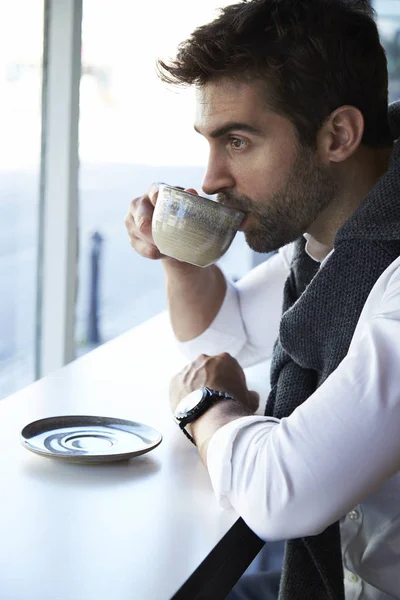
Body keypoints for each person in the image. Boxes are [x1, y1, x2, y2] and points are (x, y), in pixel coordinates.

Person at [124, 1, 400, 598]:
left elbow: (281, 495)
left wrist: (206, 408)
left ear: (338, 136)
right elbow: (227, 337)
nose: (212, 178)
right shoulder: (334, 248)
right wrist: (178, 257)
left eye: (238, 141)